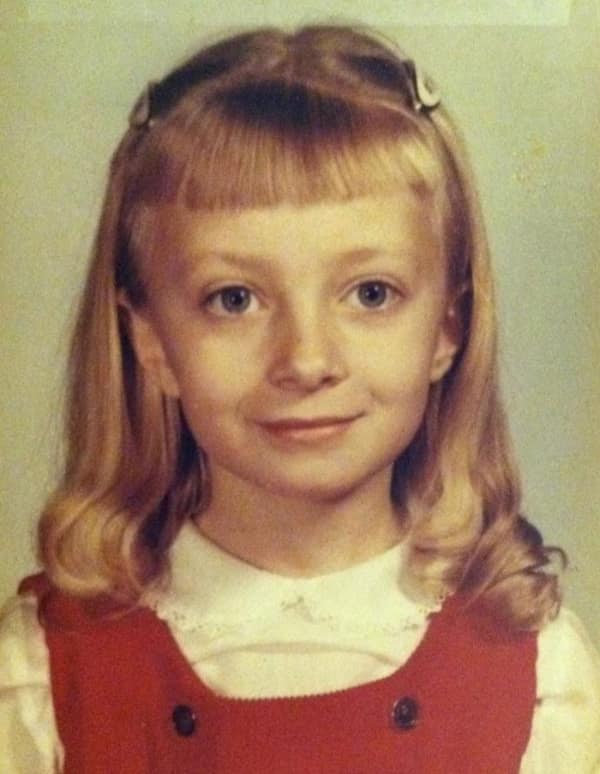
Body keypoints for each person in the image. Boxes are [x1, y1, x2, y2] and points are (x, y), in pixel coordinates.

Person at [0, 23, 599, 774]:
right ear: (152, 342)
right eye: (235, 299)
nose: (306, 360)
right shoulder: (43, 674)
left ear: (448, 328)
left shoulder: (537, 674)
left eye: (371, 293)